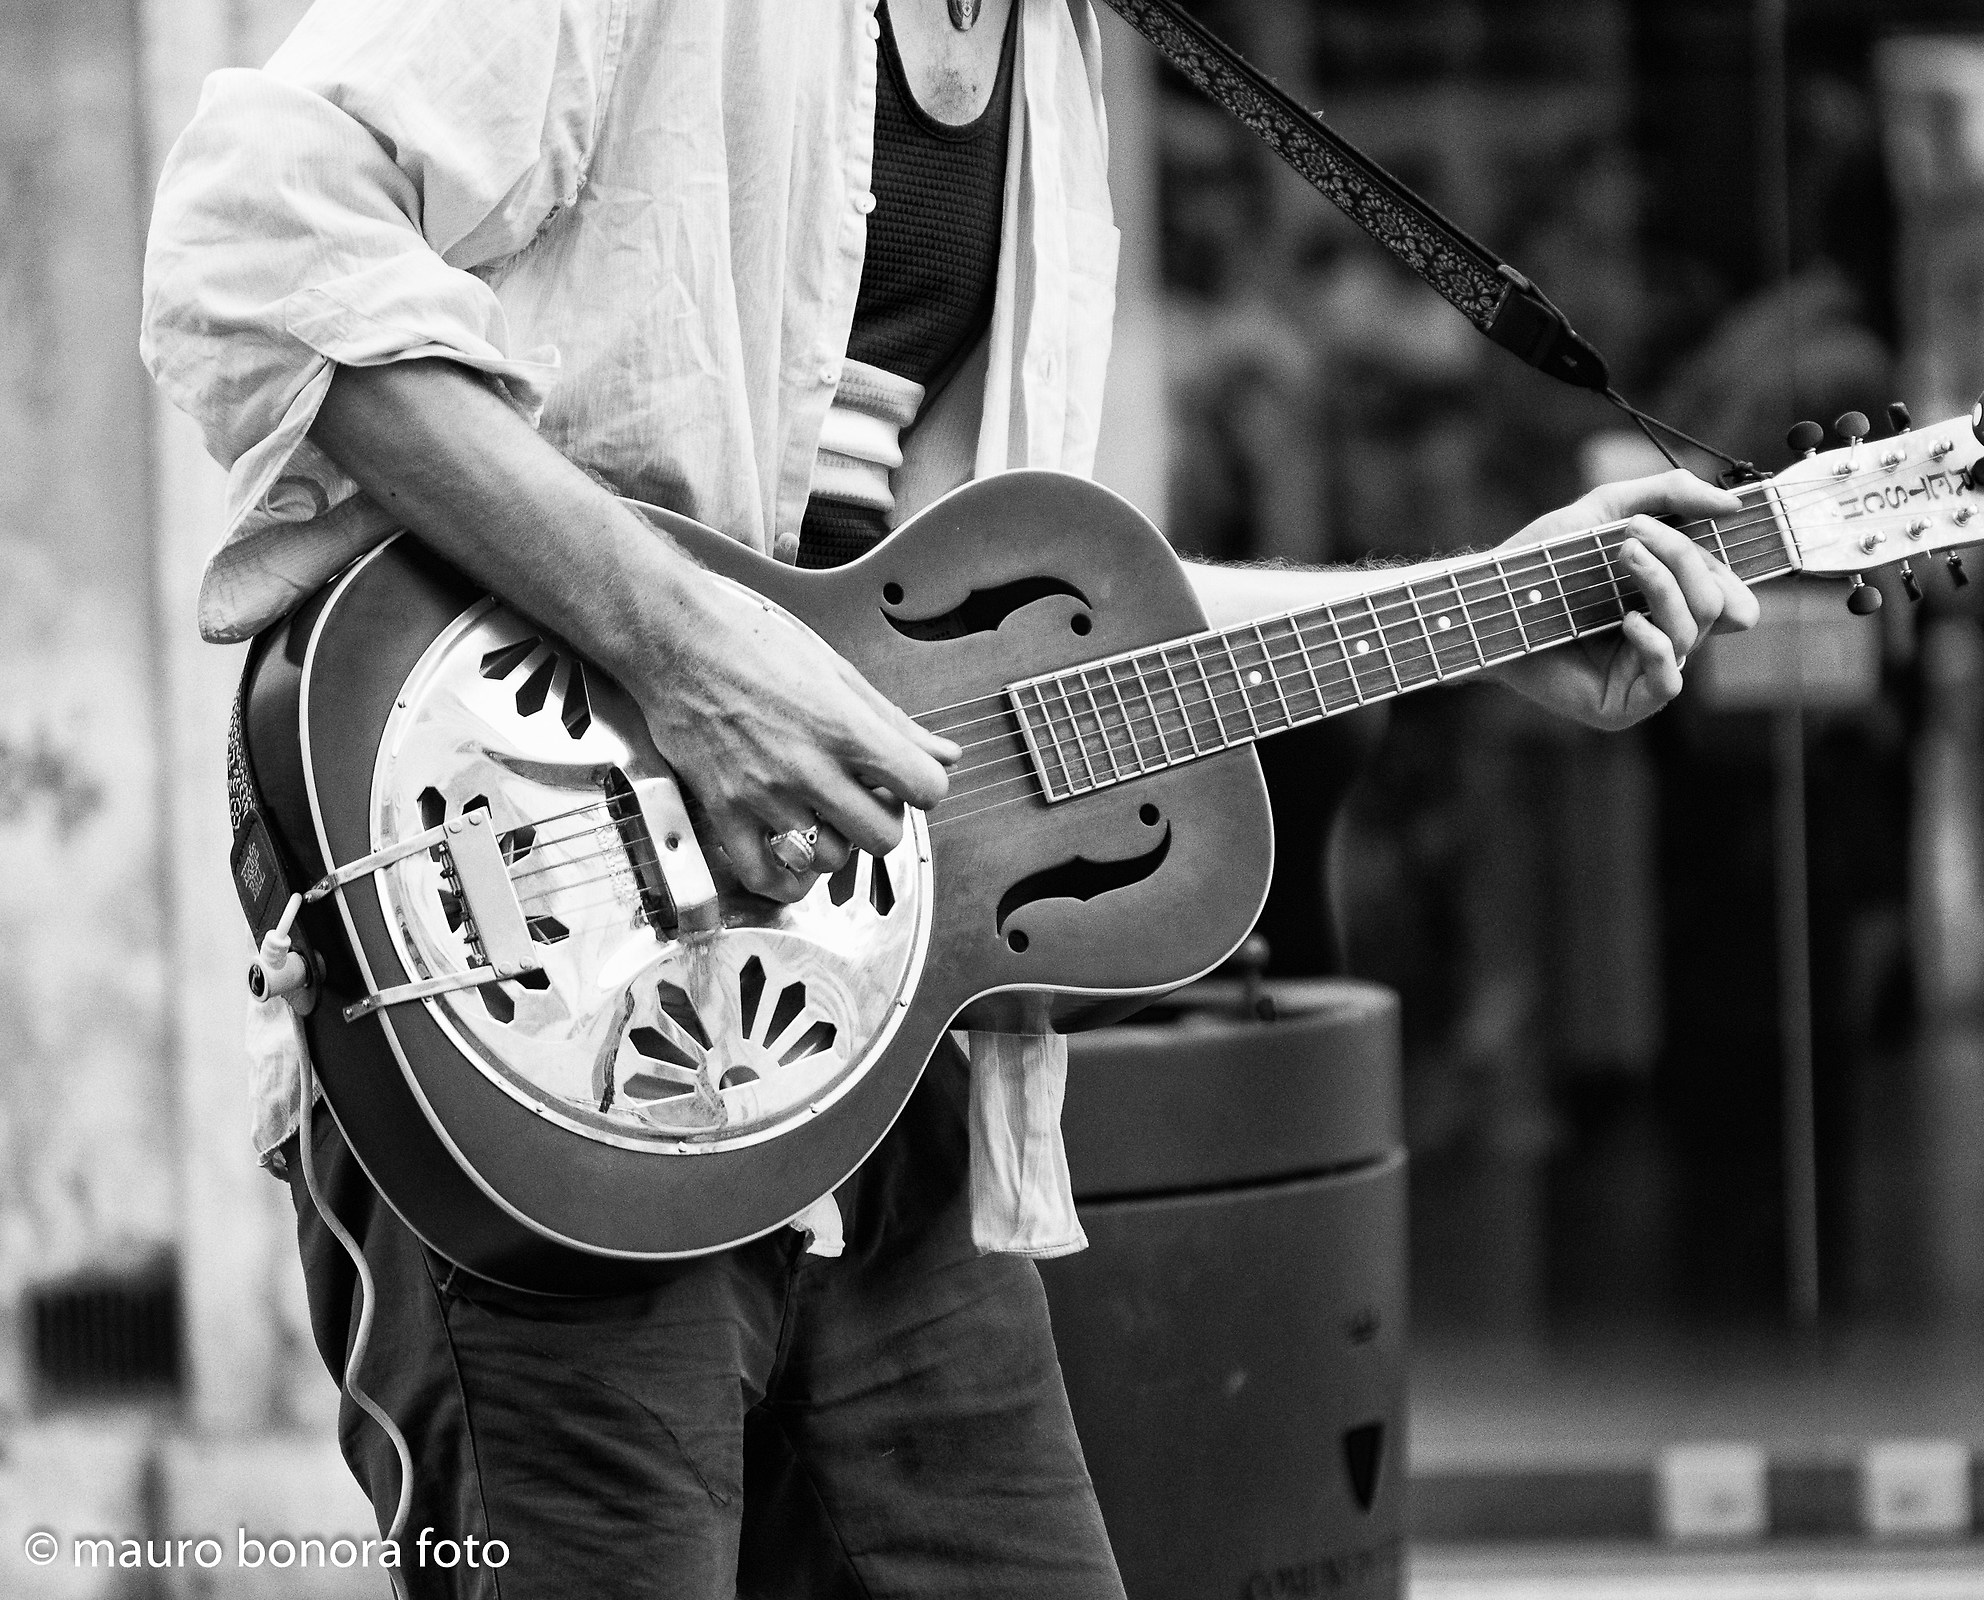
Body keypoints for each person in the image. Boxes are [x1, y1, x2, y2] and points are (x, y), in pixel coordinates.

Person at [141, 1, 1757, 1594]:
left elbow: (976, 626)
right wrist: (691, 655)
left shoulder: (1053, 55)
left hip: (869, 1028)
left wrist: (1479, 609)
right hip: (552, 997)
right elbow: (248, 232)